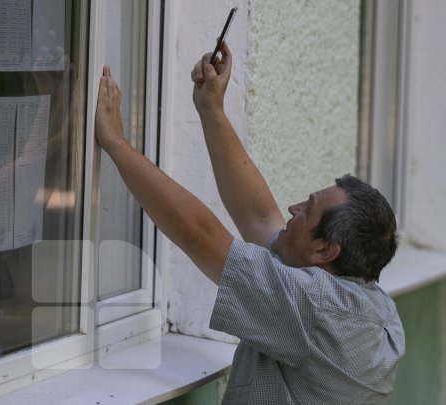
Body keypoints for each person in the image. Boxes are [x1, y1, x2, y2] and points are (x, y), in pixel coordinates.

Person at [94, 41, 404, 404]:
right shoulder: (367, 303)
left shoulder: (316, 309)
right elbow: (259, 217)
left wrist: (115, 141)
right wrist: (211, 109)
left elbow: (200, 235)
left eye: (309, 207)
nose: (293, 208)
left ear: (325, 249)